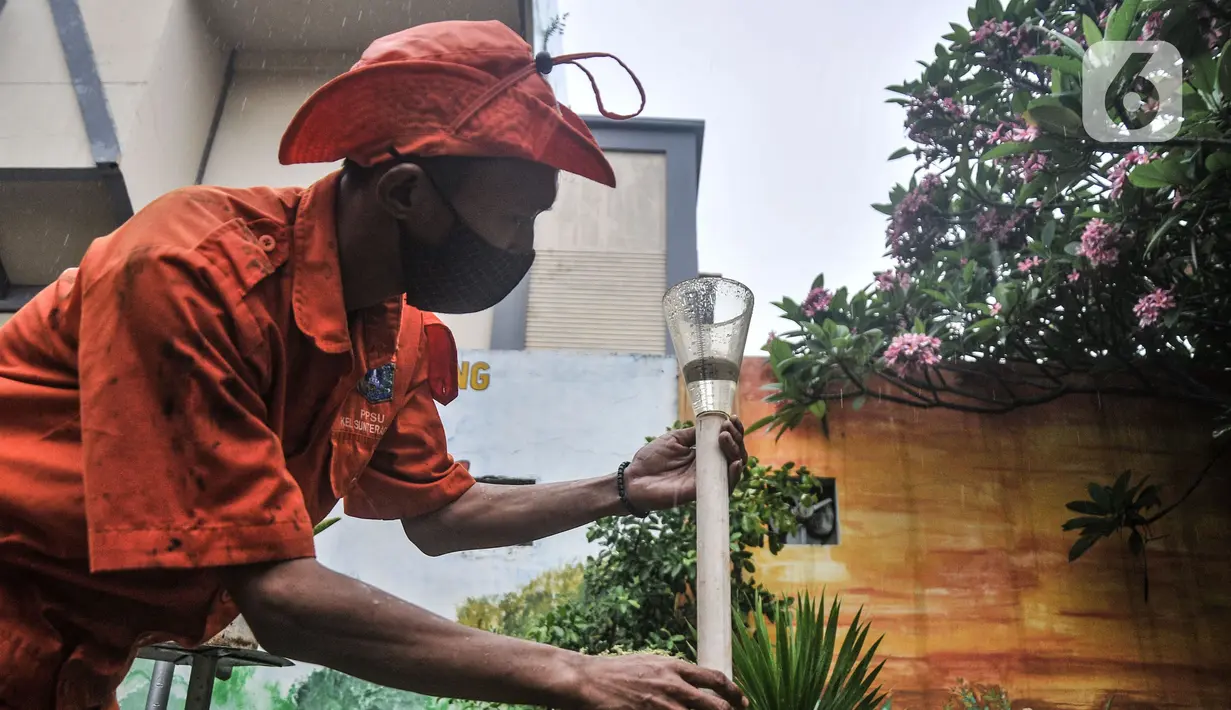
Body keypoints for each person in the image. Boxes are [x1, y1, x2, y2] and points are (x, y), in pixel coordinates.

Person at [0, 19, 750, 710]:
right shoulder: (192, 269)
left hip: (70, 670)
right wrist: (574, 673)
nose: (522, 251)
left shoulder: (397, 337)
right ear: (404, 193)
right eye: (514, 220)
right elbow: (279, 596)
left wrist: (620, 486)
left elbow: (439, 514)